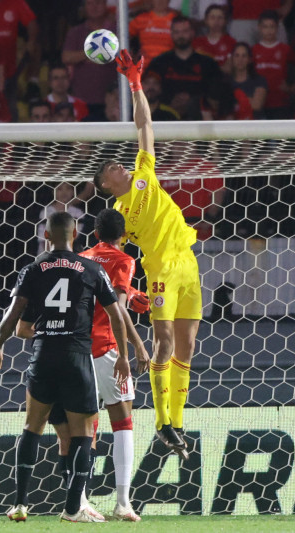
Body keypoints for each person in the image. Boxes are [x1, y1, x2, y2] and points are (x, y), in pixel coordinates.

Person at [0, 210, 130, 523]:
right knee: (84, 432)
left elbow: (13, 314)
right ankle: (73, 508)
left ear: (46, 236)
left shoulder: (33, 269)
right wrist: (124, 356)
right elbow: (116, 314)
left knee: (32, 427)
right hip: (77, 356)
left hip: (43, 354)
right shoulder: (90, 268)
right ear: (75, 235)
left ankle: (20, 504)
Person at [93, 50, 201, 457]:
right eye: (112, 170)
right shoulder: (118, 214)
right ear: (107, 185)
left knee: (187, 347)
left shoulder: (145, 172)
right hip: (159, 270)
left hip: (188, 262)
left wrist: (135, 83)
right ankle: (160, 421)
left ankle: (177, 422)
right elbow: (109, 251)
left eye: (118, 163)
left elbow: (145, 124)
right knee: (165, 341)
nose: (120, 166)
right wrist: (126, 289)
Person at [17, 208, 150, 522]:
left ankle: (79, 501)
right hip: (105, 349)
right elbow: (117, 309)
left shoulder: (84, 259)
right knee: (123, 420)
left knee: (76, 431)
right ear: (125, 235)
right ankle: (122, 503)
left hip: (72, 349)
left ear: (89, 234)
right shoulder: (125, 261)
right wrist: (135, 347)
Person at [146, 16, 223, 120]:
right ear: (171, 34)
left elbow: (216, 95)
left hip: (199, 118)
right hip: (164, 118)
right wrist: (170, 103)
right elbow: (148, 90)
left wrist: (192, 101)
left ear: (192, 32)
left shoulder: (208, 63)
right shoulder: (159, 62)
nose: (180, 36)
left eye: (184, 31)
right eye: (176, 32)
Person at [61, 0, 118, 119]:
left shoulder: (117, 30)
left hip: (112, 100)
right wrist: (97, 52)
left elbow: (122, 57)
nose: (94, 7)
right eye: (90, 3)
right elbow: (66, 57)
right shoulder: (76, 32)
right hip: (82, 99)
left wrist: (82, 56)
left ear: (105, 5)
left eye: (98, 3)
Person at [253, 10, 295, 119]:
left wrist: (291, 88)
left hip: (280, 102)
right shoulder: (253, 50)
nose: (269, 31)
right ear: (259, 28)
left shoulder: (285, 49)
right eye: (265, 27)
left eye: (272, 27)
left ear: (277, 28)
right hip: (260, 102)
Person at [229, 42, 268, 119]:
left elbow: (257, 105)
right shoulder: (226, 82)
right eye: (237, 56)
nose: (240, 60)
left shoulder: (259, 80)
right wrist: (248, 99)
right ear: (232, 59)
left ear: (249, 59)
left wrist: (236, 98)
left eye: (244, 56)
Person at [193, 4, 236, 70]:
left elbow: (229, 69)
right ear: (206, 20)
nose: (216, 21)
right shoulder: (196, 42)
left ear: (225, 21)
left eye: (220, 17)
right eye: (212, 17)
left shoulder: (231, 42)